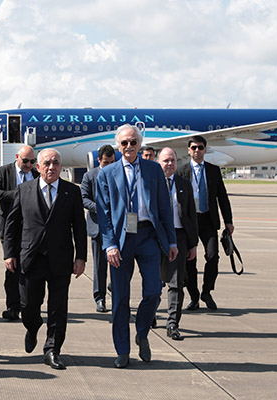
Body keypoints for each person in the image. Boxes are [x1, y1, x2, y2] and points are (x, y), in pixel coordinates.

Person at [96, 124, 177, 369]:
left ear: (140, 144)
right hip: (120, 240)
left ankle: (142, 333)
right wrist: (110, 244)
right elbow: (103, 213)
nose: (129, 146)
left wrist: (171, 240)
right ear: (118, 146)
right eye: (124, 143)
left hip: (147, 235)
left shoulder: (153, 169)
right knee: (120, 298)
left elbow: (164, 208)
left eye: (133, 142)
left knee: (153, 291)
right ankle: (122, 350)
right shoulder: (107, 173)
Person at [3, 148, 87, 370]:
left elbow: (79, 227)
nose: (52, 167)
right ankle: (32, 327)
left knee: (58, 307)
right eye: (47, 163)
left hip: (60, 259)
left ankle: (52, 350)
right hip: (31, 258)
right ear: (38, 167)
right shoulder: (24, 190)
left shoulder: (72, 191)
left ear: (61, 167)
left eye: (56, 163)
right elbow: (12, 225)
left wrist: (81, 257)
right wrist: (9, 253)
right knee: (28, 305)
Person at [177, 135, 233, 311]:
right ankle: (194, 297)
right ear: (188, 150)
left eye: (200, 147)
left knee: (213, 256)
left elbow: (222, 197)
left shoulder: (213, 170)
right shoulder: (182, 171)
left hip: (208, 219)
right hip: (189, 221)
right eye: (193, 147)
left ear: (205, 150)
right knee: (189, 261)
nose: (197, 150)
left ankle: (207, 292)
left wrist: (228, 221)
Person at [0, 145, 39, 321]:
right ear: (17, 157)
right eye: (25, 161)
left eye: (32, 162)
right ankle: (12, 306)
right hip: (8, 226)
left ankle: (28, 303)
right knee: (12, 264)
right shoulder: (3, 171)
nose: (28, 165)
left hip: (30, 227)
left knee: (29, 265)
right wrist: (19, 195)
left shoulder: (36, 174)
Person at [157, 147, 198, 340]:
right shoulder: (151, 183)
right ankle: (150, 314)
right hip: (157, 237)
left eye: (172, 160)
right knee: (155, 282)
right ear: (158, 163)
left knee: (176, 282)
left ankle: (173, 323)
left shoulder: (184, 184)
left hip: (179, 236)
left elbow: (191, 215)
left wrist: (193, 244)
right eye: (166, 161)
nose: (170, 164)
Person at [81, 144, 115, 313]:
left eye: (112, 162)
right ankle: (100, 298)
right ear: (99, 160)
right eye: (106, 162)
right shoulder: (90, 176)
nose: (109, 166)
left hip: (117, 227)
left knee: (120, 263)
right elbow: (84, 198)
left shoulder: (119, 174)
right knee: (100, 265)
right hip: (98, 227)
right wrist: (99, 208)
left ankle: (115, 288)